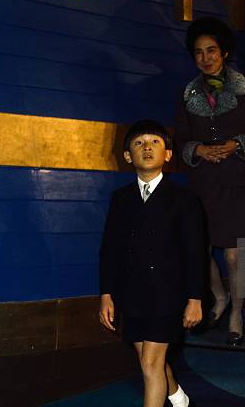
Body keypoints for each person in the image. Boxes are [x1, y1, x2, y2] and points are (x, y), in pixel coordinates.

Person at [174, 17, 245, 346]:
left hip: (238, 180)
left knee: (234, 256)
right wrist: (199, 149)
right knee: (199, 252)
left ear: (224, 53)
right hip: (204, 184)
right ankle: (219, 298)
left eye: (212, 51)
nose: (206, 58)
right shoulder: (187, 93)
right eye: (199, 52)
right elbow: (180, 140)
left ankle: (237, 312)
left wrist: (237, 144)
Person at [98, 120, 206, 407]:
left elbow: (195, 252)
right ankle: (180, 399)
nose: (147, 147)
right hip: (131, 295)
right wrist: (106, 294)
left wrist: (195, 298)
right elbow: (110, 249)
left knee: (150, 363)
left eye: (155, 142)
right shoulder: (121, 199)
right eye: (139, 143)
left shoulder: (183, 198)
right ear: (127, 156)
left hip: (168, 295)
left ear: (168, 155)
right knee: (148, 359)